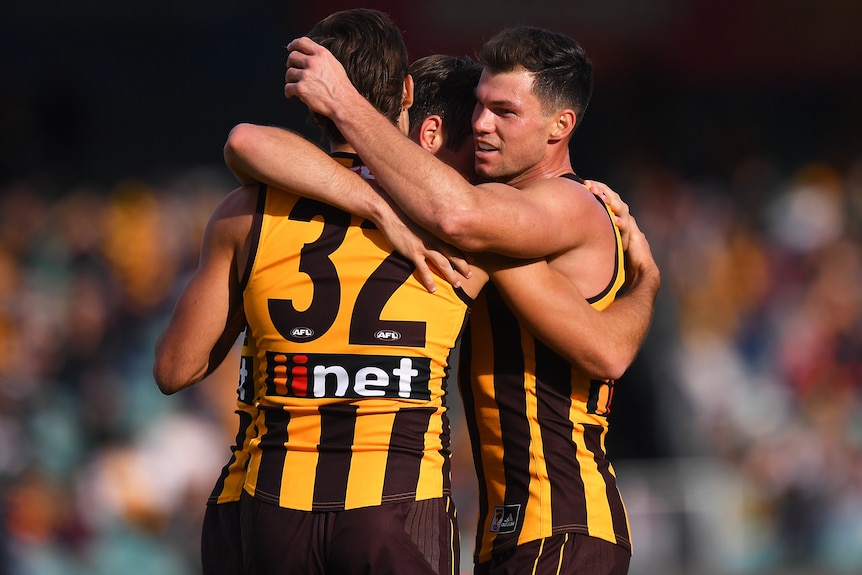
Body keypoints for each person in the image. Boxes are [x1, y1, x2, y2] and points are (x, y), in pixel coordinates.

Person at [248, 24, 657, 574]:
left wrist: (344, 102)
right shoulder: (505, 224)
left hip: (561, 525)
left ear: (562, 125)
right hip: (518, 531)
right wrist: (374, 203)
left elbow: (607, 353)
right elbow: (247, 142)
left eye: (505, 112)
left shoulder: (562, 203)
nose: (483, 125)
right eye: (481, 108)